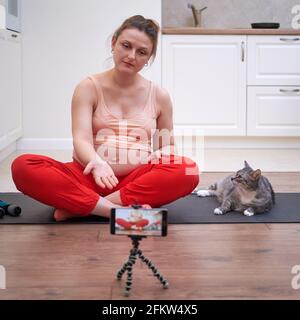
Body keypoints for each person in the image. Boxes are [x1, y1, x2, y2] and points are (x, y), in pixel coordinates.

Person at [11, 15, 199, 221]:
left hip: (136, 182)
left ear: (149, 58)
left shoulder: (159, 95)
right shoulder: (88, 87)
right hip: (87, 176)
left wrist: (162, 153)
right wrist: (97, 163)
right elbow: (81, 139)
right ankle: (115, 211)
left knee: (187, 170)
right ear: (113, 43)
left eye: (142, 52)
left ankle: (81, 207)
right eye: (126, 46)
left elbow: (169, 145)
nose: (131, 55)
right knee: (23, 166)